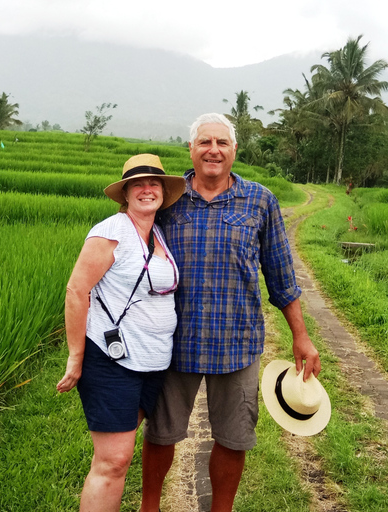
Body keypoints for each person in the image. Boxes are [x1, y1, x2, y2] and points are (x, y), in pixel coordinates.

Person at [141, 113, 322, 512]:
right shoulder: (168, 199)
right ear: (190, 149)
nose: (213, 150)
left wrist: (301, 336)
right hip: (174, 340)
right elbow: (131, 259)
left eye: (222, 143)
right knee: (161, 433)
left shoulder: (259, 200)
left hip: (236, 342)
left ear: (234, 151)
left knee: (233, 436)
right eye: (205, 142)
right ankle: (149, 507)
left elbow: (281, 276)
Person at [56, 153, 185, 512]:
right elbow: (76, 291)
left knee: (119, 456)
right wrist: (76, 357)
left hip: (151, 362)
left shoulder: (157, 232)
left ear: (163, 191)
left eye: (154, 183)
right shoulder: (110, 232)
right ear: (125, 194)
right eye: (138, 184)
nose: (147, 189)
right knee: (112, 461)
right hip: (112, 361)